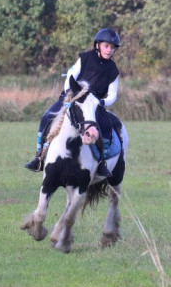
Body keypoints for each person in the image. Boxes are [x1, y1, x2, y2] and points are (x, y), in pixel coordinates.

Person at [24, 28, 122, 176]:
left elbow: (112, 95)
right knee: (47, 117)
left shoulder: (113, 70)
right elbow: (71, 75)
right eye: (106, 46)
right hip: (72, 99)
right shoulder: (85, 58)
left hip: (94, 106)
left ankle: (102, 162)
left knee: (107, 128)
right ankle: (39, 155)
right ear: (98, 45)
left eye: (112, 47)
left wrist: (102, 103)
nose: (109, 50)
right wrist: (69, 94)